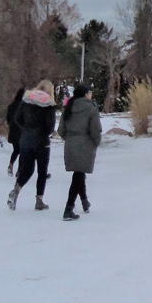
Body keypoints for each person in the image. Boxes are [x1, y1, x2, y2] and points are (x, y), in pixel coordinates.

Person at [7, 80, 57, 212]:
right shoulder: (49, 104)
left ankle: (16, 189)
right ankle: (39, 201)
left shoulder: (26, 100)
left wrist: (27, 129)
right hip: (41, 141)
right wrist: (42, 133)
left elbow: (17, 118)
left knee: (27, 169)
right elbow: (50, 127)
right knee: (42, 171)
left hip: (25, 139)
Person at [57, 83, 101, 221]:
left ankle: (84, 202)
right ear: (86, 94)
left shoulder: (68, 107)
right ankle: (68, 208)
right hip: (86, 144)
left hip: (70, 144)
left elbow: (61, 130)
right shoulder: (91, 108)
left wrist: (69, 139)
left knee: (79, 172)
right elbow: (95, 130)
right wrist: (95, 142)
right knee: (78, 175)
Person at [5, 87, 25, 176]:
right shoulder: (24, 106)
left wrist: (11, 126)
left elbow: (8, 119)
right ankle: (19, 170)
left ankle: (11, 164)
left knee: (16, 150)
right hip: (22, 131)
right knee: (22, 151)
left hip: (13, 130)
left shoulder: (11, 106)